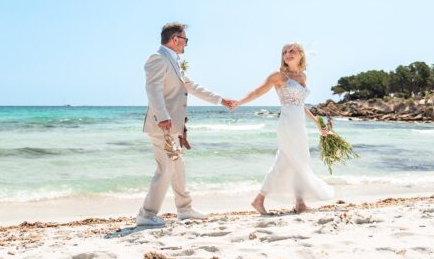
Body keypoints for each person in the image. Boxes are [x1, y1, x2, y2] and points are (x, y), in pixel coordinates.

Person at [137, 22, 237, 227]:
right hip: (162, 126)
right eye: (185, 40)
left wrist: (220, 99)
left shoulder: (173, 61)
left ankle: (184, 209)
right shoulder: (158, 59)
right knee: (165, 169)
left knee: (178, 168)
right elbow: (153, 90)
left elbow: (190, 86)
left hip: (173, 126)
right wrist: (163, 117)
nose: (186, 45)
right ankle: (147, 215)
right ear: (175, 39)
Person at [234, 42, 334, 214]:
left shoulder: (303, 76)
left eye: (291, 51)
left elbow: (301, 106)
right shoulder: (279, 76)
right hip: (287, 124)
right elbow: (258, 92)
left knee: (300, 161)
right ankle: (259, 199)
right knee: (284, 160)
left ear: (301, 54)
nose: (287, 54)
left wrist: (318, 125)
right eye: (284, 52)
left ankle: (300, 203)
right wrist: (239, 102)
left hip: (299, 125)